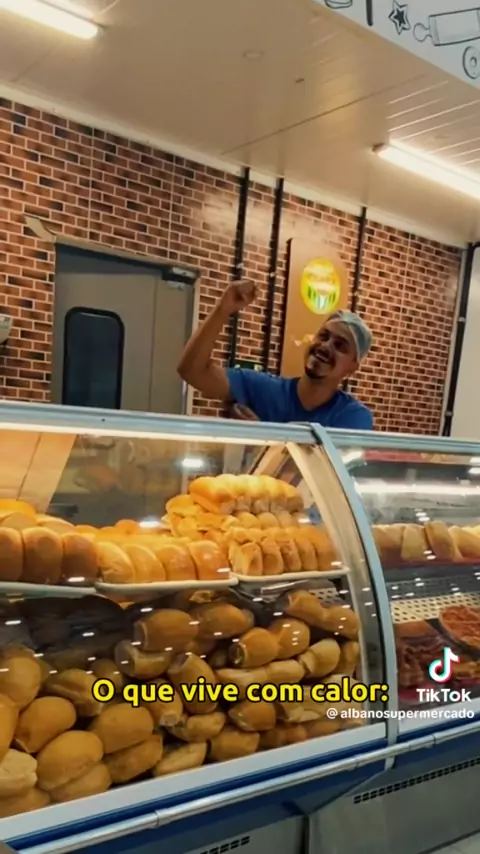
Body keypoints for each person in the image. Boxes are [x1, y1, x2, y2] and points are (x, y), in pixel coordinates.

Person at [177, 280, 374, 429]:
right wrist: (224, 308)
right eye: (323, 336)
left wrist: (265, 436)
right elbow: (192, 371)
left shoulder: (352, 417)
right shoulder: (265, 389)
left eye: (340, 345)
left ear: (352, 367)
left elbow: (325, 467)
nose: (326, 346)